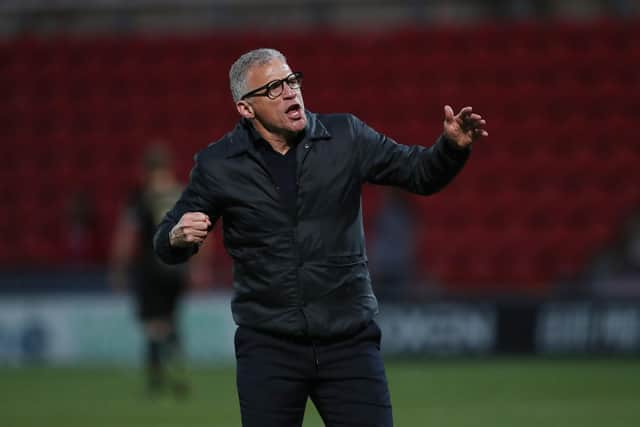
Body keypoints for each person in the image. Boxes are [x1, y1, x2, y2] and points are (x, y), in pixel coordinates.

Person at [154, 48, 487, 426]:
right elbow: (166, 238)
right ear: (246, 109)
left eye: (292, 81)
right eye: (274, 88)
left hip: (348, 341)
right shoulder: (218, 164)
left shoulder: (346, 136)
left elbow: (420, 173)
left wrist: (451, 148)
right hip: (268, 346)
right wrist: (177, 238)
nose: (290, 92)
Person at [110, 144, 190, 398]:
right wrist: (198, 266)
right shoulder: (180, 193)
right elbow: (201, 230)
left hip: (151, 265)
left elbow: (127, 235)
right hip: (177, 267)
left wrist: (118, 268)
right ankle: (178, 370)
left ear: (146, 168)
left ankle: (157, 380)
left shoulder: (141, 196)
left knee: (154, 325)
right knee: (170, 320)